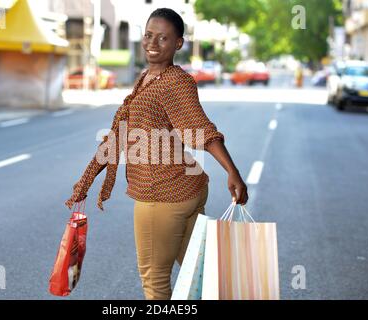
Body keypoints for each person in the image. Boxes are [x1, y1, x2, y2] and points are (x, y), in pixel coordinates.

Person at [65, 8, 248, 300]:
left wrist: (232, 172)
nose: (153, 43)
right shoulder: (148, 76)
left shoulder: (175, 82)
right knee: (199, 273)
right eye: (149, 35)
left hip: (162, 196)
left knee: (155, 282)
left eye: (163, 38)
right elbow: (117, 137)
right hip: (187, 190)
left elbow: (199, 129)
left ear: (178, 44)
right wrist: (85, 181)